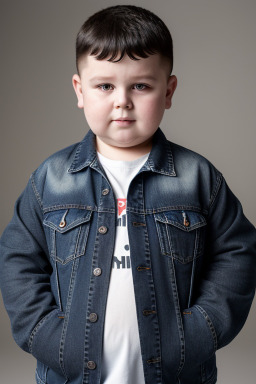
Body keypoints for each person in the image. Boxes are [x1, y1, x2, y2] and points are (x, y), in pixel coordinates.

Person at [0, 5, 255, 384]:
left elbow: (239, 254)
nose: (122, 100)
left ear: (168, 92)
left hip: (175, 374)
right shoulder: (52, 179)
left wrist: (196, 333)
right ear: (79, 90)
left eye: (141, 86)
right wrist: (52, 338)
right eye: (105, 86)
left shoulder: (197, 177)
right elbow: (17, 259)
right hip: (72, 375)